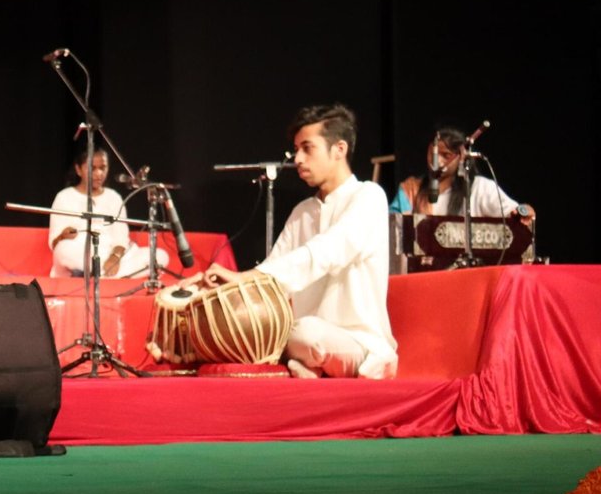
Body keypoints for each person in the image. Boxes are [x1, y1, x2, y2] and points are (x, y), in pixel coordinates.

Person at [203, 104, 396, 379]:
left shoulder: (368, 196)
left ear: (339, 149)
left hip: (359, 343)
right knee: (270, 334)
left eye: (308, 148)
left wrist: (249, 277)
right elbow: (274, 275)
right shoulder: (302, 212)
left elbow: (328, 251)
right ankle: (308, 368)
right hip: (305, 339)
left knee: (305, 333)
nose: (298, 159)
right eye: (296, 149)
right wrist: (218, 290)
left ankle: (309, 367)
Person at [47, 146, 167, 279]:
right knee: (63, 249)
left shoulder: (113, 197)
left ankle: (101, 276)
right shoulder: (64, 196)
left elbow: (121, 238)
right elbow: (54, 244)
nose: (99, 173)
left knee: (160, 256)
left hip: (109, 256)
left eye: (103, 168)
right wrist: (62, 236)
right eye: (92, 168)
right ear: (78, 169)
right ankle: (110, 276)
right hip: (80, 254)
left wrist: (114, 258)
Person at [391, 127, 534, 225]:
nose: (437, 161)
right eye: (433, 154)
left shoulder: (480, 188)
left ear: (461, 157)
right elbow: (391, 223)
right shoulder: (411, 190)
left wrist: (523, 211)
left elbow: (513, 212)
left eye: (446, 155)